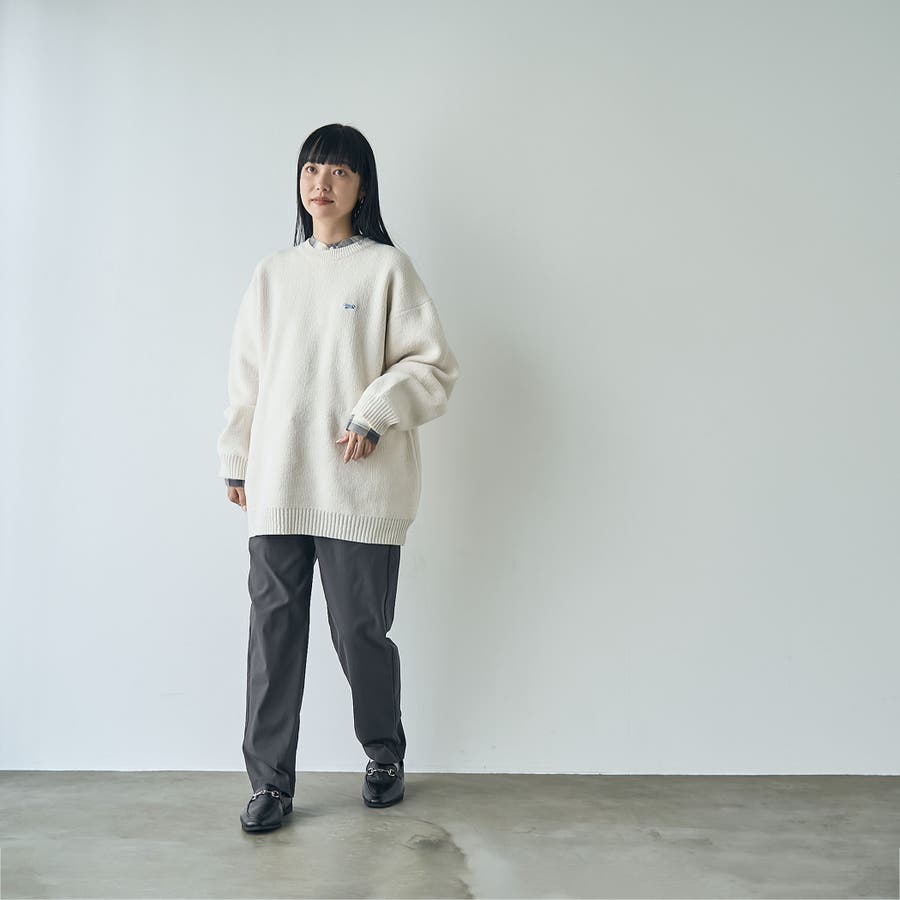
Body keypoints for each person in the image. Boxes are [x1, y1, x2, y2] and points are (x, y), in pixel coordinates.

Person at [216, 123, 460, 833]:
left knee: (360, 633)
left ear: (362, 186)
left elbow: (433, 366)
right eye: (312, 169)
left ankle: (383, 752)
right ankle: (269, 783)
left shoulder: (387, 270)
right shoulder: (273, 273)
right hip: (278, 483)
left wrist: (375, 410)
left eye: (339, 171)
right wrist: (237, 455)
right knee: (273, 635)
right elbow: (247, 378)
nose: (322, 183)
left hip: (360, 488)